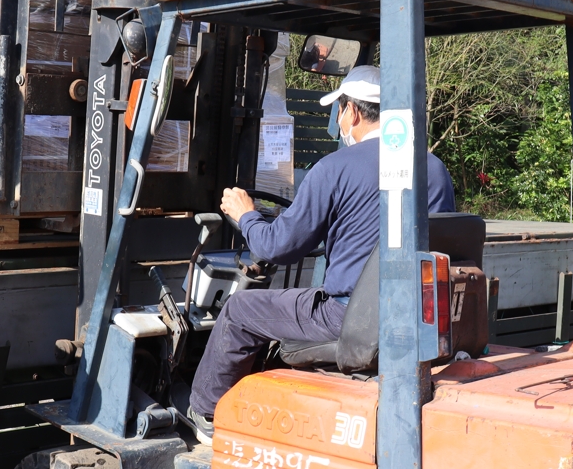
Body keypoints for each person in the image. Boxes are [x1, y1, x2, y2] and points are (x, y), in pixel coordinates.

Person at [187, 65, 455, 442]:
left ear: (353, 113)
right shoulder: (435, 169)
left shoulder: (334, 169)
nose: (340, 118)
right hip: (414, 316)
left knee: (239, 311)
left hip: (348, 316)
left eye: (340, 108)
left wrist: (245, 215)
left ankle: (206, 415)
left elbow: (276, 246)